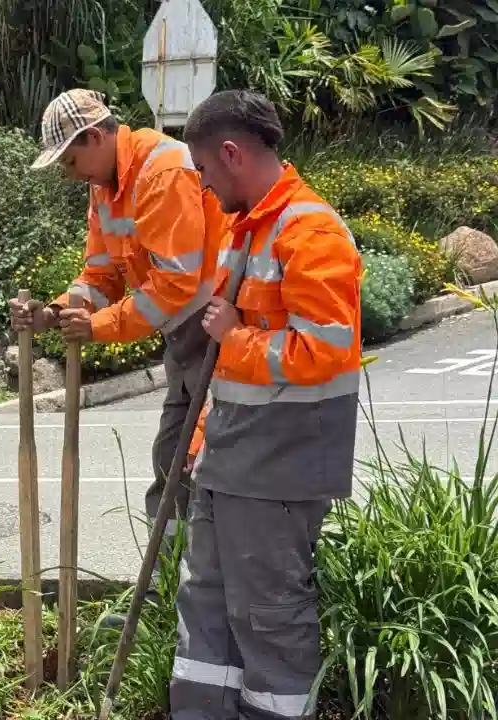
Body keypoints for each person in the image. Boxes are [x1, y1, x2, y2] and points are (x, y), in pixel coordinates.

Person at [169, 89, 362, 720]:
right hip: (231, 461)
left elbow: (326, 350)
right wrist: (200, 445)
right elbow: (226, 370)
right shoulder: (245, 227)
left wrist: (235, 336)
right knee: (206, 605)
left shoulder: (311, 230)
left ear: (231, 154)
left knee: (268, 617)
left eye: (201, 168)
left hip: (279, 467)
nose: (200, 183)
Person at [10, 88, 231, 620]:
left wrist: (99, 327)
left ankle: (198, 599)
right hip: (187, 341)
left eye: (71, 159)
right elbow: (102, 275)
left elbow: (176, 283)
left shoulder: (163, 172)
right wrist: (56, 313)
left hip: (221, 335)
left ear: (95, 137)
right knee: (172, 464)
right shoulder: (105, 188)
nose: (70, 173)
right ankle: (166, 596)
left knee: (202, 469)